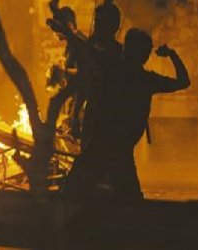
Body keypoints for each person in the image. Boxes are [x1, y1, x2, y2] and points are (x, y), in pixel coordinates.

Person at [47, 19, 190, 200]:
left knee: (70, 194)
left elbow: (85, 48)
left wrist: (66, 32)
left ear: (125, 49)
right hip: (120, 149)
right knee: (129, 201)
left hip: (102, 145)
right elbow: (183, 81)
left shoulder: (112, 65)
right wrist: (172, 55)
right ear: (145, 55)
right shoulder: (145, 80)